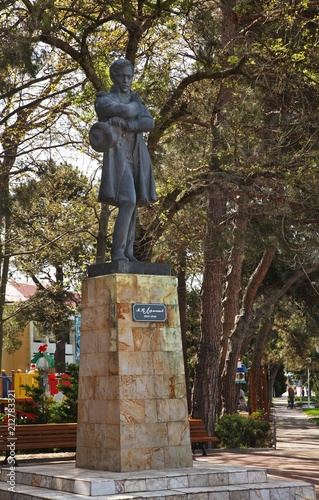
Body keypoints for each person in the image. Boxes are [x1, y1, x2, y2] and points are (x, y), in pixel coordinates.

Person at [90, 59, 156, 262]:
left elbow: (150, 122)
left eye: (129, 76)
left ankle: (127, 252)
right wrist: (135, 106)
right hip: (118, 156)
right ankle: (117, 252)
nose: (126, 81)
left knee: (134, 203)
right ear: (113, 77)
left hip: (137, 155)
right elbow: (128, 111)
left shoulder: (134, 100)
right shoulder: (104, 100)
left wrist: (129, 125)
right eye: (122, 76)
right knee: (127, 200)